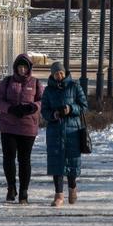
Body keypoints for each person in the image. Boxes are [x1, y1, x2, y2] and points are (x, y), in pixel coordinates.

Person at [0, 53, 43, 204]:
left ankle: (23, 192)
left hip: (28, 127)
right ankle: (11, 187)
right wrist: (9, 109)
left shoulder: (35, 83)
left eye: (24, 67)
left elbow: (43, 100)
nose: (22, 70)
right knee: (8, 159)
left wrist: (33, 107)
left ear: (29, 68)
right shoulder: (7, 82)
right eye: (19, 67)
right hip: (8, 126)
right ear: (15, 68)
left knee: (24, 160)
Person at [40, 60, 88, 207]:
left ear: (65, 72)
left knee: (72, 162)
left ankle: (72, 188)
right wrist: (53, 115)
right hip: (55, 131)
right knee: (56, 163)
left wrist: (70, 108)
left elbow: (84, 106)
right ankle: (58, 195)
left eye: (61, 73)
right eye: (56, 74)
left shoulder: (75, 86)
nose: (59, 76)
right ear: (52, 75)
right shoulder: (48, 90)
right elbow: (44, 111)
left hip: (72, 130)